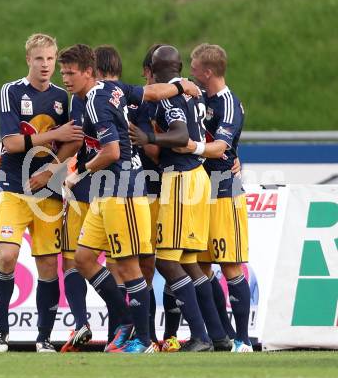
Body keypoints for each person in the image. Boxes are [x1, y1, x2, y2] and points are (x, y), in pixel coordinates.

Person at [59, 44, 200, 352]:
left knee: (129, 266)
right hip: (106, 192)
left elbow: (111, 151)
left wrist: (78, 172)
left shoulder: (96, 103)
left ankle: (145, 340)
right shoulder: (112, 90)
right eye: (63, 73)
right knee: (83, 259)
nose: (66, 79)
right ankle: (124, 319)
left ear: (88, 72)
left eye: (71, 73)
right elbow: (149, 93)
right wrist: (178, 85)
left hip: (123, 190)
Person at [0, 33, 84, 353]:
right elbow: (13, 143)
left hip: (48, 192)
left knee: (47, 265)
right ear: (28, 60)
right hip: (13, 186)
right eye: (39, 59)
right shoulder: (11, 92)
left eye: (50, 59)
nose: (46, 65)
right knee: (7, 256)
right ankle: (0, 330)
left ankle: (43, 337)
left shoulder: (63, 96)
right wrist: (55, 133)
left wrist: (51, 172)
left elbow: (74, 142)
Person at [129, 45, 218, 352]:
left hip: (181, 179)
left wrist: (148, 137)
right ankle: (218, 335)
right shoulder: (194, 94)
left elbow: (180, 135)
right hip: (195, 176)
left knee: (167, 262)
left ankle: (201, 337)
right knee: (190, 262)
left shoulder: (169, 100)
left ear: (153, 71)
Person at [189, 43, 252, 352]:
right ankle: (223, 334)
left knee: (230, 265)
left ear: (208, 72)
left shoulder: (229, 103)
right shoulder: (202, 99)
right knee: (201, 266)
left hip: (225, 191)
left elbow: (220, 148)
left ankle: (244, 339)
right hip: (202, 192)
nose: (191, 71)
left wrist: (189, 147)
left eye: (194, 67)